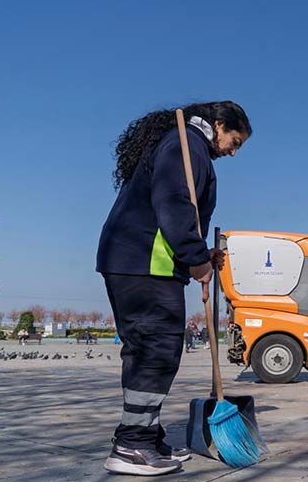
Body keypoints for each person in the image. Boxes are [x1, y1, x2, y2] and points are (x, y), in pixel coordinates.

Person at [96, 101, 250, 476]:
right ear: (219, 124)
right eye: (235, 140)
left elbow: (180, 213)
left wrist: (199, 254)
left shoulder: (187, 146)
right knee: (157, 351)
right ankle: (131, 446)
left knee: (146, 351)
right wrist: (195, 258)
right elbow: (174, 204)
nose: (232, 151)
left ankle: (145, 435)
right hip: (143, 264)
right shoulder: (185, 145)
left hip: (138, 262)